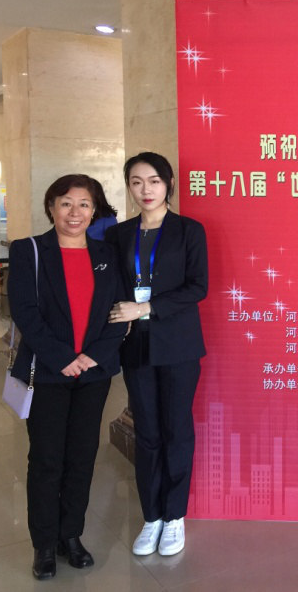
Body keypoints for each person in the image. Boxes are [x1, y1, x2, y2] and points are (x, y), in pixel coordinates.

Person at [8, 174, 126, 580]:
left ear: (94, 211)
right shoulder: (29, 251)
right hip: (48, 372)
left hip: (94, 373)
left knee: (81, 456)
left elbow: (119, 310)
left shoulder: (107, 253)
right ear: (51, 207)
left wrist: (93, 355)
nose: (75, 213)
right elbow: (25, 312)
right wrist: (63, 358)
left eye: (84, 205)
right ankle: (43, 543)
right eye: (66, 203)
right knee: (46, 459)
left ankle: (70, 535)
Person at [106, 152, 208, 557]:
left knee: (176, 429)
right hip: (136, 345)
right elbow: (113, 285)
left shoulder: (189, 230)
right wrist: (120, 314)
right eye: (136, 182)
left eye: (153, 181)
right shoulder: (118, 234)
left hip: (178, 344)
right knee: (146, 430)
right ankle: (152, 516)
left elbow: (197, 287)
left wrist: (145, 307)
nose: (145, 190)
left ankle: (175, 514)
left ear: (169, 184)